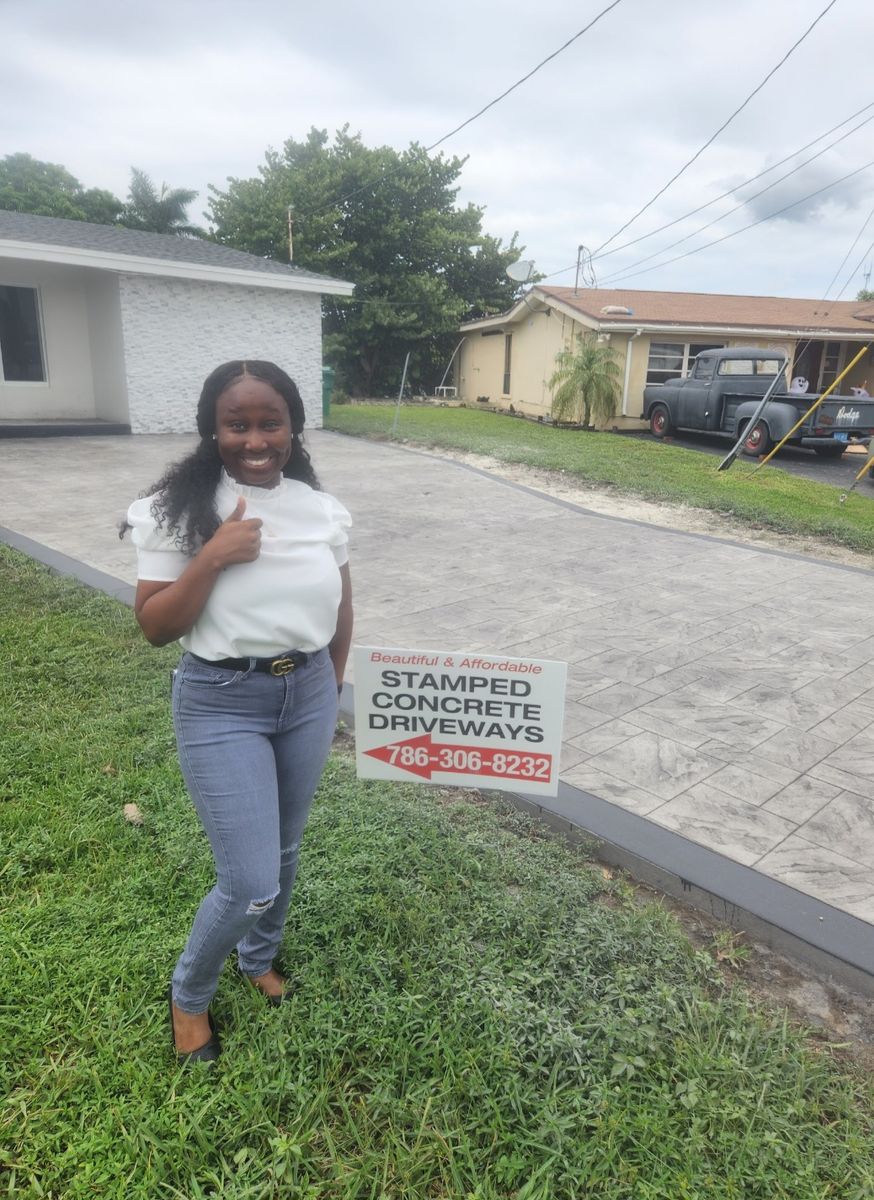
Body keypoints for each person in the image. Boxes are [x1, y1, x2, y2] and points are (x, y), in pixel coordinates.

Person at [125, 359, 352, 1064]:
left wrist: (329, 691)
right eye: (237, 424)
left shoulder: (321, 509)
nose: (255, 438)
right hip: (222, 701)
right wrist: (214, 555)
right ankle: (189, 996)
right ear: (212, 430)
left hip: (307, 691)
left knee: (284, 851)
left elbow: (342, 609)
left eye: (269, 422)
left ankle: (258, 958)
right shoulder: (177, 509)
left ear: (292, 427)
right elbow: (157, 625)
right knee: (250, 878)